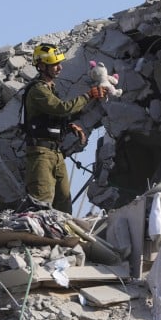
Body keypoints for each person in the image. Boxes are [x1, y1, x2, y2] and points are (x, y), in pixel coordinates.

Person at [21, 43, 107, 213]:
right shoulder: (38, 90)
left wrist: (68, 126)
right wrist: (89, 95)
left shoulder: (50, 89)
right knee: (42, 204)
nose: (59, 68)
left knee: (64, 206)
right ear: (41, 66)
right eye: (54, 64)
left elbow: (53, 117)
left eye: (59, 63)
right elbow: (62, 108)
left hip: (56, 154)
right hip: (41, 154)